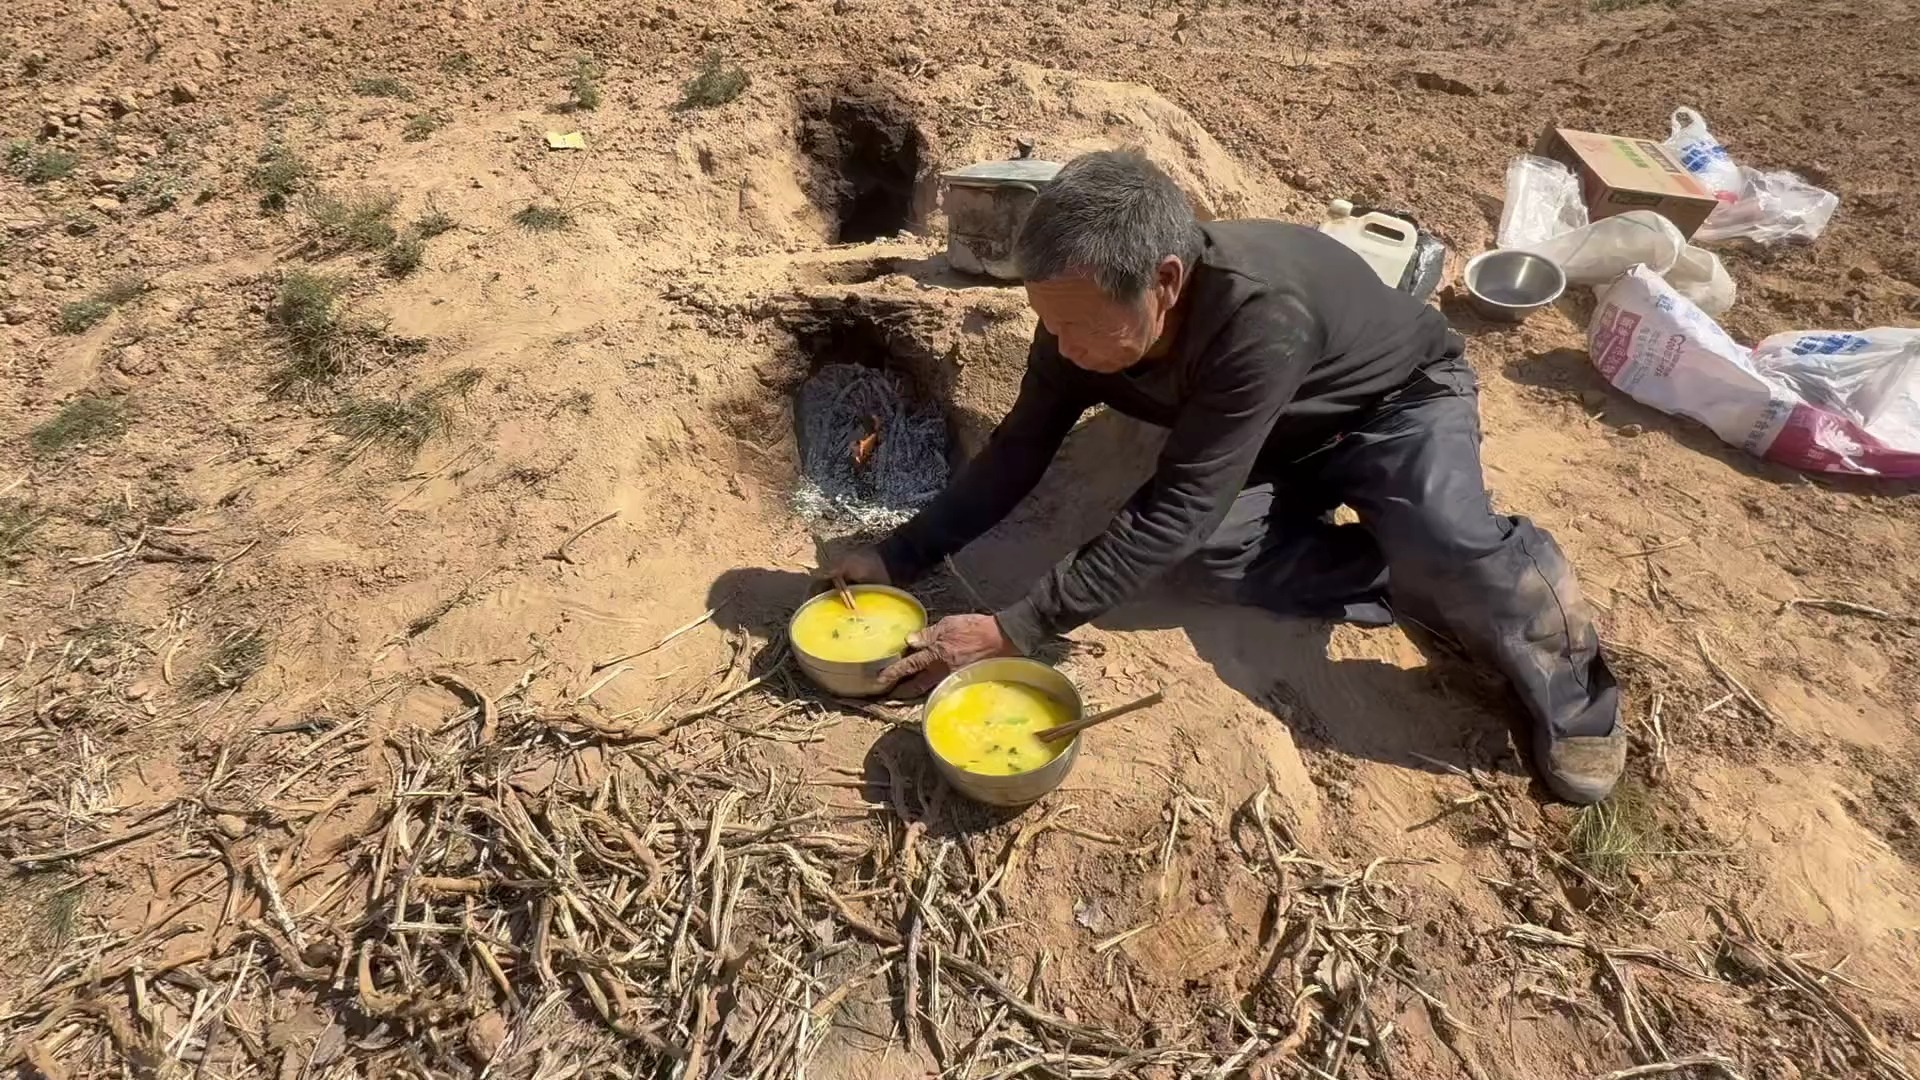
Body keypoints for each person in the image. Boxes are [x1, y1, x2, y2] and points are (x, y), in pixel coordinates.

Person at [820, 150, 1625, 804]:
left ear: (1165, 282)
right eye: (1049, 323)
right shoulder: (1075, 319)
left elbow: (1178, 503)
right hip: (1262, 433)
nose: (1064, 349)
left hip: (1394, 406)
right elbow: (1019, 450)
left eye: (1083, 328)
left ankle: (1566, 687)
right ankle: (1402, 572)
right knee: (1208, 560)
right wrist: (902, 556)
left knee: (1450, 539)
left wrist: (1015, 627)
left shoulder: (1259, 315)